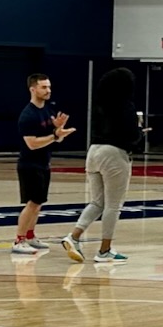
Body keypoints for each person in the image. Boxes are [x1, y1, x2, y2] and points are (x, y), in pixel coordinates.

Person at [63, 67, 139, 263]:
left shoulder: (100, 105)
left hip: (93, 151)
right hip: (114, 154)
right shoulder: (126, 106)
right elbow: (131, 136)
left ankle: (74, 236)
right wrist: (141, 132)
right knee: (113, 205)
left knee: (97, 202)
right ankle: (104, 250)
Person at [12, 73, 74, 256]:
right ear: (33, 89)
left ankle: (30, 236)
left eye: (49, 87)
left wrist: (57, 131)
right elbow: (32, 143)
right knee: (31, 203)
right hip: (29, 165)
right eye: (44, 87)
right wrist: (55, 135)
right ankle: (19, 239)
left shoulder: (47, 110)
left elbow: (54, 139)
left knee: (38, 203)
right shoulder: (28, 115)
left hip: (43, 163)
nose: (48, 90)